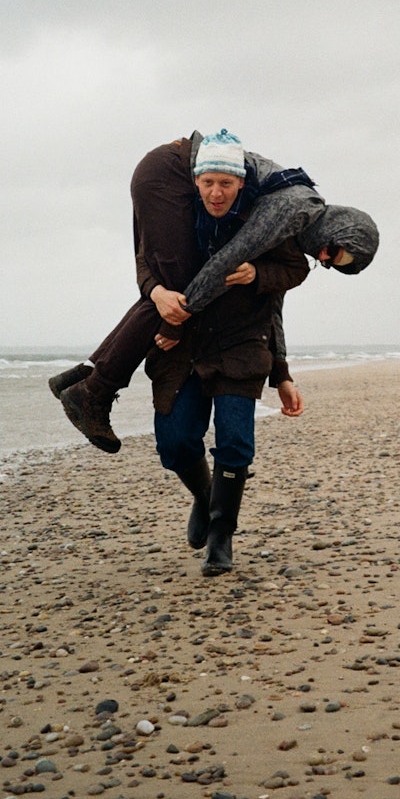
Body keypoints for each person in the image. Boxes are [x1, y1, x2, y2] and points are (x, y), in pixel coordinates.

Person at [51, 128, 379, 453]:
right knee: (176, 293)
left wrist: (281, 369)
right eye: (334, 251)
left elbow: (273, 302)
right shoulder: (294, 209)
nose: (323, 257)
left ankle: (84, 374)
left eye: (331, 263)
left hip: (169, 170)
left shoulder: (302, 212)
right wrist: (176, 322)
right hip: (167, 174)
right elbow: (227, 261)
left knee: (168, 290)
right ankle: (93, 394)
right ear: (340, 225)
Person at [145, 128, 310, 576]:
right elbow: (146, 264)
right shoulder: (177, 218)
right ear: (196, 182)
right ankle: (205, 497)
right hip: (185, 346)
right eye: (208, 182)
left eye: (226, 183)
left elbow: (295, 271)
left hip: (242, 345)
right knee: (175, 443)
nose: (216, 193)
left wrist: (258, 274)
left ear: (241, 183)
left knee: (235, 443)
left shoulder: (265, 218)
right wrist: (156, 292)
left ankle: (221, 537)